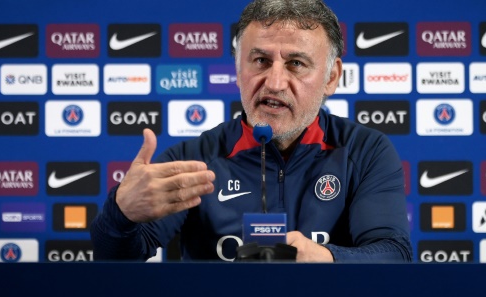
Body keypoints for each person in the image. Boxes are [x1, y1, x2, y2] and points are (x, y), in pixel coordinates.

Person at [90, 0, 412, 263]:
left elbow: (393, 254)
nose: (274, 82)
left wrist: (323, 257)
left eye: (296, 64)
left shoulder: (364, 152)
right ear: (237, 68)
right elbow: (114, 260)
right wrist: (121, 214)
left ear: (331, 77)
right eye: (260, 60)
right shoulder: (194, 159)